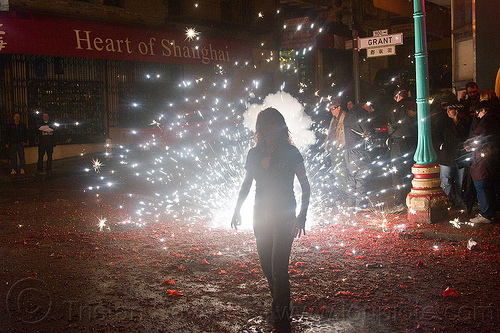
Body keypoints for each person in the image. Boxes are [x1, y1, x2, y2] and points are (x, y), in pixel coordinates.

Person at [231, 108, 310, 331]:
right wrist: (237, 209)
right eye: (265, 127)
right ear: (260, 130)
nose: (269, 131)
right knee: (267, 266)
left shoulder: (291, 152)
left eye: (273, 126)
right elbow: (247, 184)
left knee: (278, 268)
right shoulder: (253, 154)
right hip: (260, 215)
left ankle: (282, 316)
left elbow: (305, 185)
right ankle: (281, 303)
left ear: (281, 128)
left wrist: (302, 216)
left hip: (285, 214)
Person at [465, 101, 500, 223]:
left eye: (478, 113)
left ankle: (486, 214)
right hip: (494, 157)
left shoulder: (487, 122)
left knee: (482, 183)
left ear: (483, 110)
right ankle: (492, 212)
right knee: (493, 185)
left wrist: (468, 145)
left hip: (484, 158)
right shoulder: (496, 119)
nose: (477, 116)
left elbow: (478, 138)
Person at [434, 100, 471, 209]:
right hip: (447, 155)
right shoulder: (443, 122)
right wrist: (441, 145)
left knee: (461, 181)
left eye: (451, 109)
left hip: (461, 155)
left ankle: (460, 201)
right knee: (446, 180)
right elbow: (436, 135)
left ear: (457, 110)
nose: (448, 112)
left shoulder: (466, 122)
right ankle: (445, 201)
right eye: (447, 109)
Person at [386, 88, 417, 212]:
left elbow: (391, 126)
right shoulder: (415, 105)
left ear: (398, 96)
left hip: (399, 143)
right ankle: (412, 199)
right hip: (413, 142)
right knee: (411, 171)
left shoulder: (397, 107)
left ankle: (400, 203)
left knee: (398, 173)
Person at [342, 101, 374, 209]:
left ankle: (351, 203)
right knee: (361, 176)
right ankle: (361, 204)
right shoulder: (362, 113)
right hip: (358, 149)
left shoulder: (349, 114)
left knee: (352, 176)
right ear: (365, 105)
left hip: (348, 150)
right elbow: (368, 131)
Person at [324, 99, 347, 192]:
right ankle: (342, 189)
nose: (332, 111)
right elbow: (330, 133)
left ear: (339, 108)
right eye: (330, 109)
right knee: (335, 170)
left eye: (333, 108)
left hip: (339, 148)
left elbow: (344, 133)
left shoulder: (344, 117)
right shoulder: (333, 119)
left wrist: (341, 145)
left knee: (342, 170)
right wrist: (326, 144)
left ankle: (347, 190)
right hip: (333, 148)